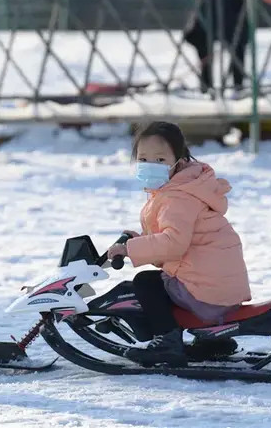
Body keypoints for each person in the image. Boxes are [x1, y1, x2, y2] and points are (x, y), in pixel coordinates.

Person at [107, 121, 251, 366]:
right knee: (164, 279)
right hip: (220, 286)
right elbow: (179, 241)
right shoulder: (187, 188)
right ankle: (214, 341)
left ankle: (167, 343)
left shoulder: (178, 197)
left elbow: (174, 243)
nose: (150, 166)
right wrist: (140, 241)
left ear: (180, 162)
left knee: (146, 283)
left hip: (206, 292)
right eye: (143, 159)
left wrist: (129, 249)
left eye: (160, 160)